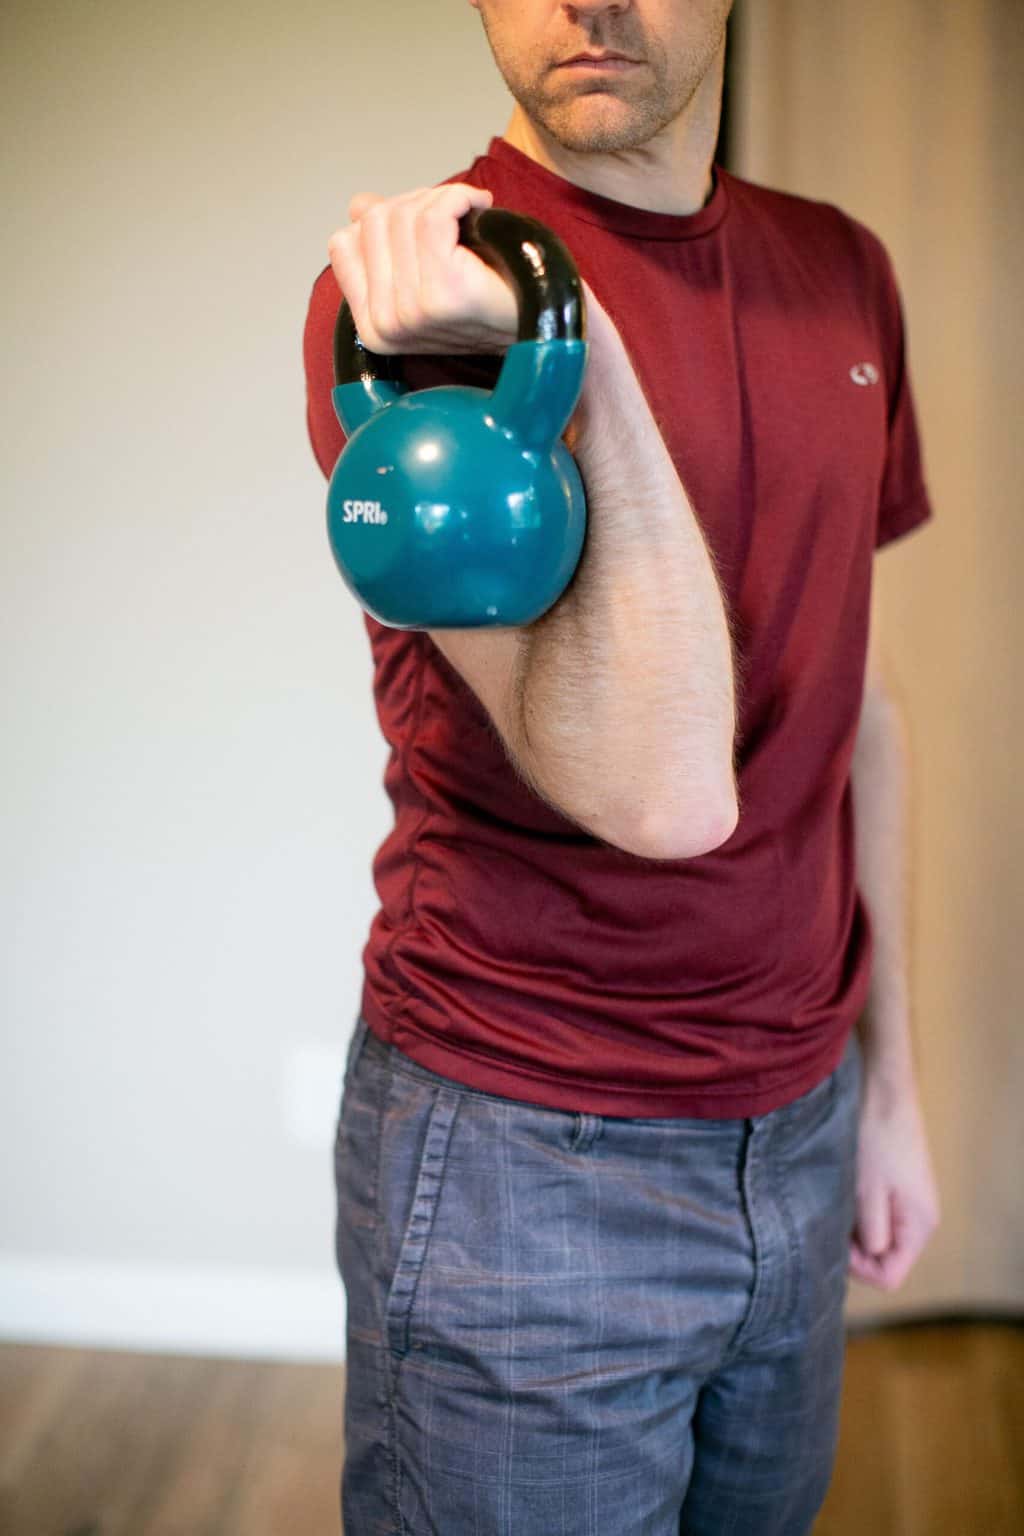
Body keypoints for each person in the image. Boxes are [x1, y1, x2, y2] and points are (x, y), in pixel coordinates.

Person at [302, 2, 942, 1531]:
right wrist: (558, 338)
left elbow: (856, 706)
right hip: (526, 1168)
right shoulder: (407, 311)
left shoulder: (842, 269)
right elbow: (666, 795)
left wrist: (890, 1085)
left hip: (797, 1131)